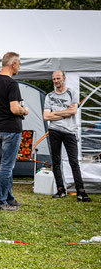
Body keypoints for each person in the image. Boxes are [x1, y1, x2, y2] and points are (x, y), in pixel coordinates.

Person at [0, 52, 29, 211]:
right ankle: (0, 201)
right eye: (19, 64)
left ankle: (9, 198)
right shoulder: (12, 84)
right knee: (7, 166)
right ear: (14, 64)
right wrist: (24, 110)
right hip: (11, 129)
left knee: (5, 164)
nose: (19, 67)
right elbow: (14, 108)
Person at [43, 71, 91, 202]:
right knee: (56, 161)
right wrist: (65, 112)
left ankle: (81, 192)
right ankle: (60, 190)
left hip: (70, 131)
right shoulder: (49, 96)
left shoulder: (72, 93)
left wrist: (55, 113)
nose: (56, 81)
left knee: (74, 162)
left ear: (64, 78)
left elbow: (73, 110)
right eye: (54, 79)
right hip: (54, 130)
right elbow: (46, 116)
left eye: (58, 78)